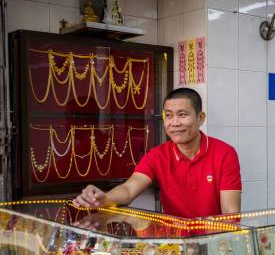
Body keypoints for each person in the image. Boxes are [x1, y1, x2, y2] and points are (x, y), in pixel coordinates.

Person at [73, 88, 241, 218]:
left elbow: (230, 212)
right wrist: (105, 198)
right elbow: (129, 189)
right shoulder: (157, 155)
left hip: (214, 244)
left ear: (201, 118)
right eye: (168, 116)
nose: (174, 123)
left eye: (182, 115)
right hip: (173, 245)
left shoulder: (225, 154)